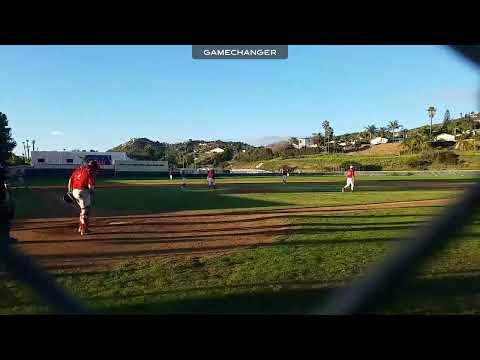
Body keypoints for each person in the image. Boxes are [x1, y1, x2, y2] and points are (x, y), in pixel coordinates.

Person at [67, 160, 100, 236]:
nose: (96, 170)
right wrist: (92, 192)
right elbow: (90, 187)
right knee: (86, 211)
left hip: (74, 191)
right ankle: (84, 229)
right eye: (96, 168)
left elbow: (70, 180)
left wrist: (69, 191)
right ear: (93, 167)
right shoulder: (90, 173)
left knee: (83, 209)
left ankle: (81, 227)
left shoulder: (78, 169)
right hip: (83, 192)